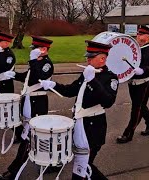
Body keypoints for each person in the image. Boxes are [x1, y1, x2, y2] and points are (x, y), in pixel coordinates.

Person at [40, 40, 118, 180]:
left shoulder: (110, 77)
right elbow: (71, 90)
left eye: (90, 57)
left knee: (82, 166)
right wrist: (53, 85)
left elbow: (108, 101)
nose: (87, 60)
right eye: (87, 57)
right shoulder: (87, 73)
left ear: (102, 58)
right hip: (80, 124)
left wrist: (93, 81)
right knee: (84, 165)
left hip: (94, 128)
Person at [0, 36, 54, 180]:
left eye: (35, 49)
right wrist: (14, 75)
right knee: (39, 136)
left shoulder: (47, 64)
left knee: (28, 139)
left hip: (37, 103)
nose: (32, 51)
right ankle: (53, 162)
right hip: (29, 101)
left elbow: (39, 76)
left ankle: (13, 172)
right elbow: (28, 77)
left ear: (44, 49)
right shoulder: (37, 62)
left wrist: (33, 61)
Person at [116, 25, 149, 144]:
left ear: (148, 37)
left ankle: (128, 133)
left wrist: (144, 70)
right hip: (133, 82)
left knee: (136, 108)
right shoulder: (134, 48)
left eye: (141, 35)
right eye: (138, 34)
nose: (138, 37)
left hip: (144, 82)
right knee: (141, 105)